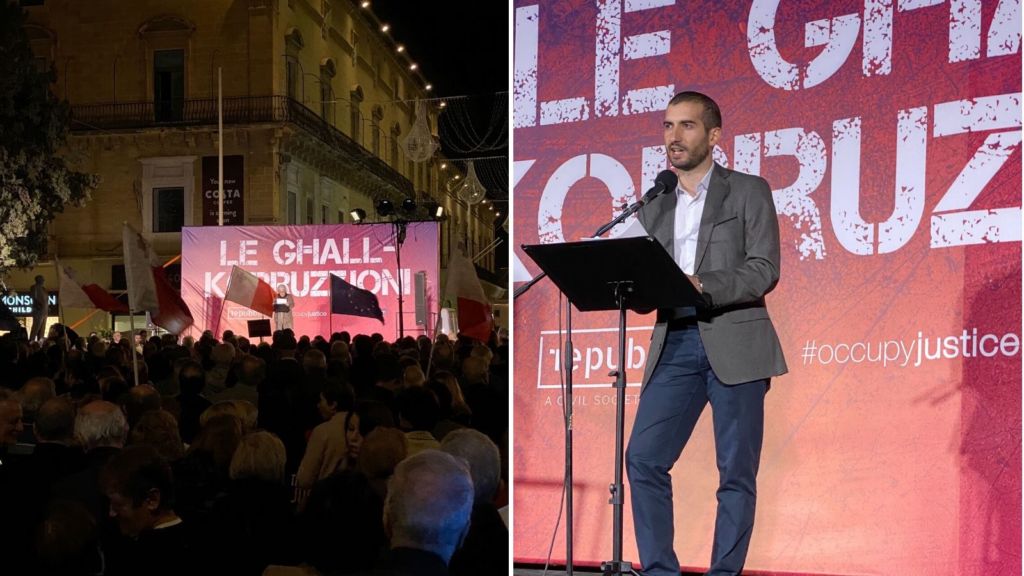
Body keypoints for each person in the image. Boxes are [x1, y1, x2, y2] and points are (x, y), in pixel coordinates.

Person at [626, 91, 788, 576]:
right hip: (674, 341)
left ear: (714, 136)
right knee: (643, 459)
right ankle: (659, 571)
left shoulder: (748, 190)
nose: (673, 136)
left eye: (687, 126)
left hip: (734, 340)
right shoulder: (653, 205)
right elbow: (645, 287)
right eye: (668, 126)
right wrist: (627, 283)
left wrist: (704, 285)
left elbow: (764, 269)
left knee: (735, 474)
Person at [29, 275, 48, 342]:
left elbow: (46, 299)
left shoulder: (43, 289)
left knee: (43, 327)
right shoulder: (34, 287)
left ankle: (40, 340)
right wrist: (38, 305)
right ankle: (32, 340)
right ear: (38, 280)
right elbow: (33, 297)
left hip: (45, 310)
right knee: (36, 326)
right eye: (42, 279)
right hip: (38, 310)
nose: (43, 281)